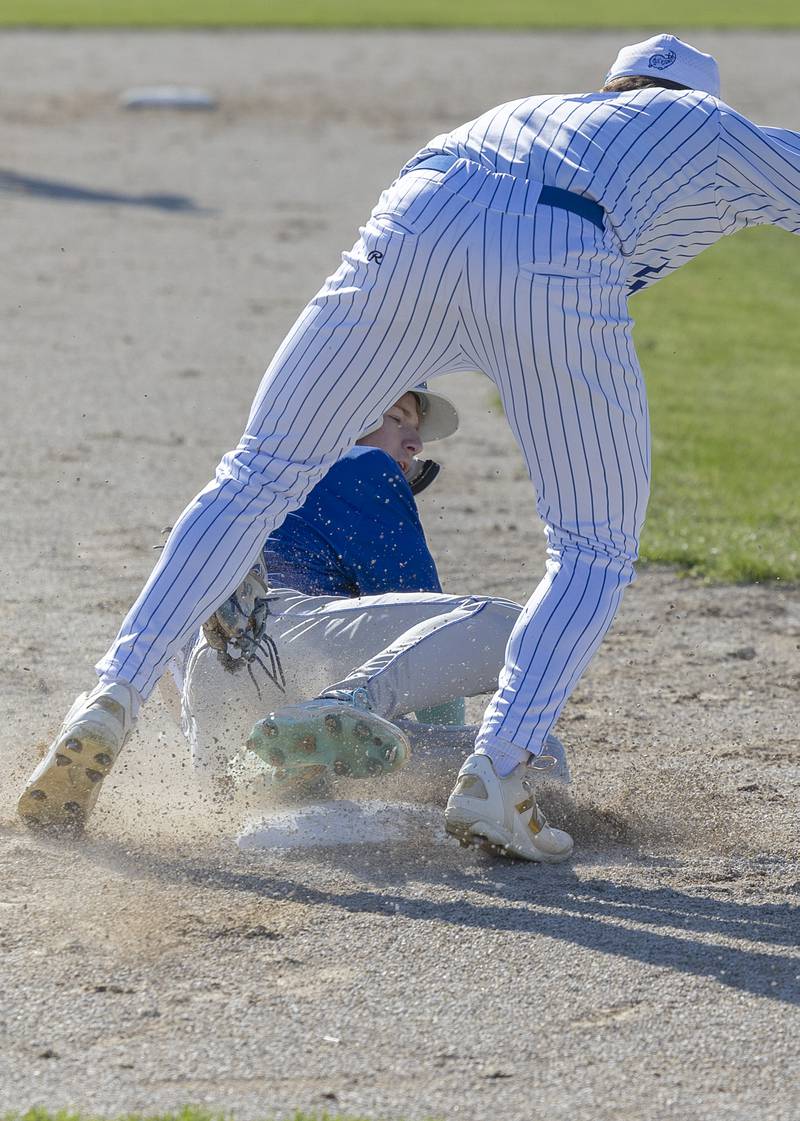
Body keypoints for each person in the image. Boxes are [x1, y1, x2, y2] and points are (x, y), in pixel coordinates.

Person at [20, 33, 800, 863]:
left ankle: (111, 694)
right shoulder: (709, 128)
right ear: (695, 100)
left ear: (611, 88)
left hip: (421, 209)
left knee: (254, 475)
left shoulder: (532, 115)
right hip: (560, 246)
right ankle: (499, 772)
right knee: (592, 548)